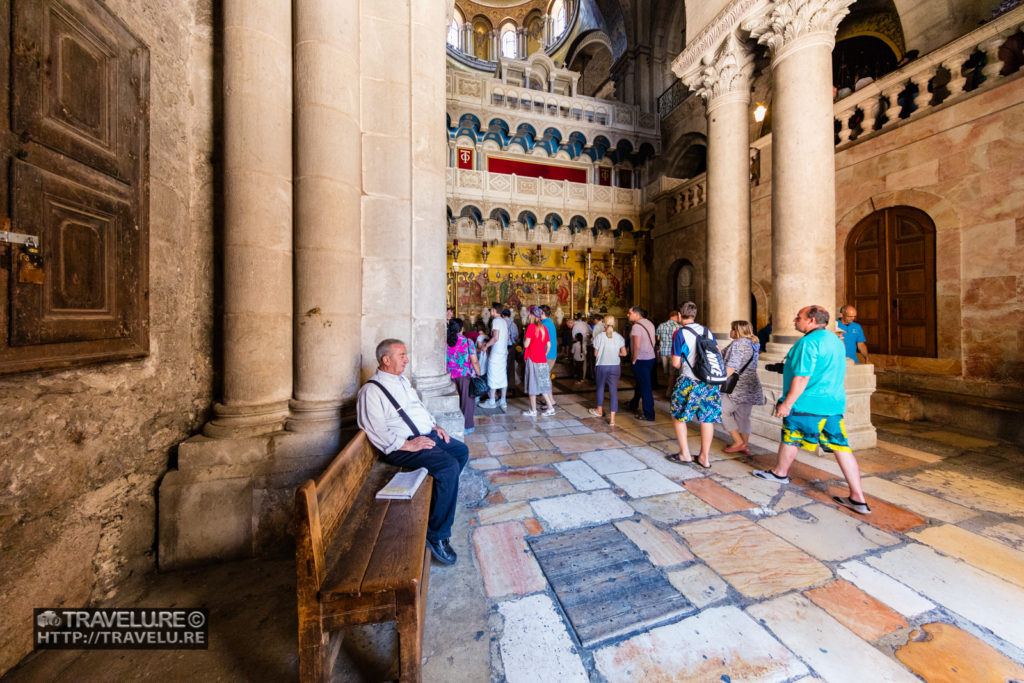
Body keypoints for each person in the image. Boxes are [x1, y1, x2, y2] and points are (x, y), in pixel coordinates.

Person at [357, 339, 469, 565]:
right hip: (401, 446)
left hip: (425, 436)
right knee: (448, 468)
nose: (406, 360)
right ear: (386, 360)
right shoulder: (371, 391)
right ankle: (436, 534)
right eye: (401, 355)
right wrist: (408, 445)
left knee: (461, 452)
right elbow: (374, 429)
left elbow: (418, 408)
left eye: (405, 355)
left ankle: (438, 505)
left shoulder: (402, 381)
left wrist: (434, 426)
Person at [752, 305, 871, 515]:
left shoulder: (808, 342)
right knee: (841, 446)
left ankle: (780, 473)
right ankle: (858, 497)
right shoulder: (835, 340)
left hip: (807, 404)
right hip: (832, 403)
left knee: (791, 437)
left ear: (812, 321)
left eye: (799, 317)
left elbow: (803, 376)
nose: (794, 320)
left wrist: (787, 403)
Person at [667, 301, 721, 468]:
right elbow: (717, 353)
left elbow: (676, 363)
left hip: (689, 381)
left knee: (678, 416)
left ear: (679, 315)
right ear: (695, 315)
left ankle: (685, 453)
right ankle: (704, 457)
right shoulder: (707, 331)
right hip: (709, 382)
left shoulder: (680, 333)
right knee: (707, 419)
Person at [721, 320, 765, 454]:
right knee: (743, 416)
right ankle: (744, 444)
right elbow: (724, 354)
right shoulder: (753, 343)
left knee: (721, 411)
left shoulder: (738, 344)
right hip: (751, 385)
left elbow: (732, 367)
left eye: (732, 329)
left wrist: (718, 383)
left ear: (737, 331)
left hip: (737, 386)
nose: (730, 332)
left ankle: (738, 442)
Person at [589, 315, 627, 426]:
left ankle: (599, 410)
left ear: (604, 324)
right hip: (615, 366)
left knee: (600, 388)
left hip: (601, 366)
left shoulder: (599, 337)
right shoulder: (619, 337)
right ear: (614, 324)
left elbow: (596, 354)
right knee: (613, 391)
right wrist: (616, 354)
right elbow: (624, 353)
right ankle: (612, 419)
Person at [446, 318, 481, 434]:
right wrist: (479, 374)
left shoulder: (445, 341)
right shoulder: (467, 341)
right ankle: (467, 427)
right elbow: (474, 361)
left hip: (449, 376)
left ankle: (453, 426)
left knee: (453, 402)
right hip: (464, 375)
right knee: (467, 401)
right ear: (462, 328)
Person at [522, 306, 556, 417]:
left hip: (532, 359)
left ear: (532, 315)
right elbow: (549, 345)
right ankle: (550, 408)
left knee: (532, 385)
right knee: (542, 384)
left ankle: (533, 410)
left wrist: (524, 339)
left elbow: (526, 344)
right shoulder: (543, 327)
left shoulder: (531, 327)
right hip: (542, 360)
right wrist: (543, 354)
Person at [627, 306, 657, 421]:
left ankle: (649, 414)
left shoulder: (636, 327)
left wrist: (634, 359)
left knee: (645, 387)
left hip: (641, 359)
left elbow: (637, 345)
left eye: (629, 313)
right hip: (650, 358)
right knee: (641, 384)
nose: (628, 315)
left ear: (636, 314)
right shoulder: (649, 323)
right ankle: (633, 404)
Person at [480, 303, 508, 409]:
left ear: (494, 310)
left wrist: (486, 345)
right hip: (503, 352)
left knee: (492, 375)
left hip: (496, 352)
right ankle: (503, 401)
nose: (490, 312)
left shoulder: (496, 321)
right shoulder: (503, 321)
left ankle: (492, 401)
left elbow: (496, 337)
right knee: (502, 375)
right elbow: (506, 337)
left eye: (491, 310)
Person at [657, 309, 683, 398]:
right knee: (673, 374)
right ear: (676, 316)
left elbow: (657, 337)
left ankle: (668, 387)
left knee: (666, 372)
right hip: (673, 353)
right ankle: (669, 391)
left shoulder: (661, 325)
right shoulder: (679, 327)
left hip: (663, 352)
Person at [539, 305, 558, 380]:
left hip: (546, 355)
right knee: (545, 379)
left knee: (543, 380)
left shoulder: (544, 324)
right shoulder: (549, 322)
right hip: (551, 354)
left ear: (543, 313)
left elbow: (541, 341)